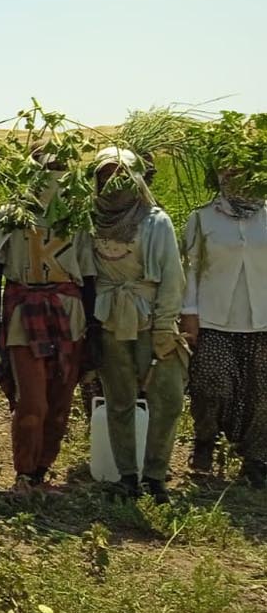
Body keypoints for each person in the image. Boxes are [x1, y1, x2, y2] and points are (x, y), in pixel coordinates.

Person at [0, 155, 96, 497]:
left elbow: (88, 276)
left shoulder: (77, 214)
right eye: (46, 168)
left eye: (60, 168)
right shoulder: (11, 214)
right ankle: (23, 473)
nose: (53, 177)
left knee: (60, 402)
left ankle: (41, 473)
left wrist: (92, 327)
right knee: (33, 403)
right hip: (24, 313)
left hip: (68, 312)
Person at [89, 147, 186, 502]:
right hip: (110, 319)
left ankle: (156, 475)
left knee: (167, 398)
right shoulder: (89, 220)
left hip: (149, 319)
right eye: (105, 175)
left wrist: (164, 327)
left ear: (135, 179)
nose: (112, 183)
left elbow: (172, 278)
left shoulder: (155, 221)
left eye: (120, 175)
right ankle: (127, 475)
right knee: (119, 399)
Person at [182, 166, 267, 488]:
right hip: (214, 317)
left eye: (245, 171)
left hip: (261, 320)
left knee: (261, 394)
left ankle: (255, 459)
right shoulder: (203, 218)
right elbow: (190, 268)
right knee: (209, 384)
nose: (238, 178)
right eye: (230, 172)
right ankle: (205, 438)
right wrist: (188, 312)